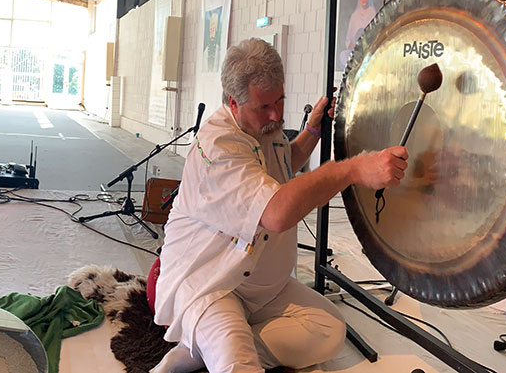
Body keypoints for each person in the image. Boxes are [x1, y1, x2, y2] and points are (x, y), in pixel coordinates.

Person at [153, 38, 405, 373]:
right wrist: (354, 168)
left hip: (263, 288)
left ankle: (201, 353)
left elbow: (284, 164)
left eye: (280, 100)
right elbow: (276, 213)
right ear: (233, 102)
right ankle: (219, 348)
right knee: (238, 366)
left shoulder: (264, 127)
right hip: (213, 285)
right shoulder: (219, 147)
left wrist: (314, 129)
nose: (276, 114)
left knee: (329, 330)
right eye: (264, 107)